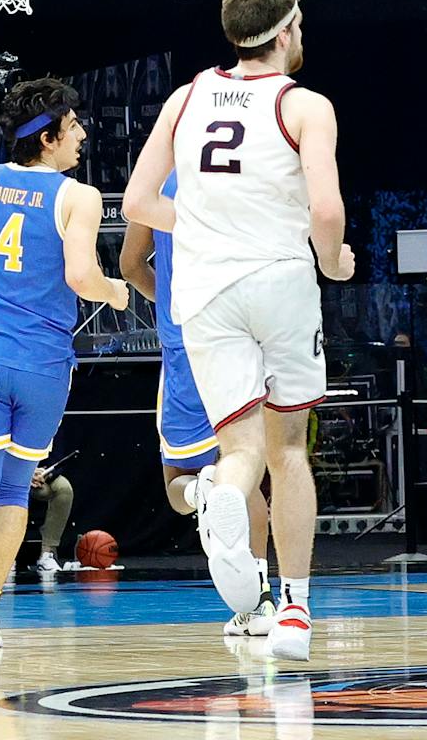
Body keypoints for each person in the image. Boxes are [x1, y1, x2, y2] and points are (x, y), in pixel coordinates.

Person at [123, 0, 356, 663]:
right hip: (278, 280)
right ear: (284, 33)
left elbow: (136, 204)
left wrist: (200, 229)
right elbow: (325, 210)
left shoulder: (187, 96)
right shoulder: (305, 105)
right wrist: (333, 258)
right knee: (289, 452)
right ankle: (294, 610)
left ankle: (222, 493)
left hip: (204, 289)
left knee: (241, 451)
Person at [0, 79, 129, 650]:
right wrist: (116, 292)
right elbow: (82, 278)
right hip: (43, 365)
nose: (83, 134)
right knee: (15, 491)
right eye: (74, 125)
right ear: (47, 137)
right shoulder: (77, 196)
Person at [120, 171, 277, 635]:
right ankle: (262, 600)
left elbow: (131, 266)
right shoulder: (248, 168)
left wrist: (167, 300)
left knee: (179, 482)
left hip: (184, 344)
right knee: (246, 471)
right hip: (239, 338)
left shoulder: (160, 180)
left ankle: (200, 495)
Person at [27, 460, 75, 575]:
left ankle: (47, 552)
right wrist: (25, 473)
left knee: (63, 488)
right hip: (8, 474)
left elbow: (58, 458)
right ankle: (4, 555)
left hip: (39, 477)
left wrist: (46, 473)